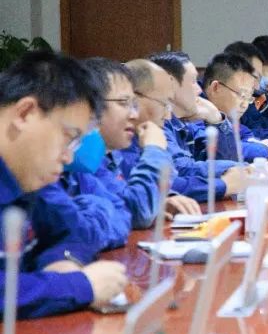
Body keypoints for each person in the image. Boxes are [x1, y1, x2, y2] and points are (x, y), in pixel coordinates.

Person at [0, 51, 128, 319]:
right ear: (25, 113)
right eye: (69, 137)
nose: (69, 157)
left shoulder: (30, 178)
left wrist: (63, 261)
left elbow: (74, 234)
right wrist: (78, 286)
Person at [50, 59, 175, 254]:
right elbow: (137, 211)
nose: (134, 115)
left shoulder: (88, 162)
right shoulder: (77, 160)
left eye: (134, 104)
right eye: (123, 103)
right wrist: (155, 151)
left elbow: (123, 213)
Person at [149, 52, 249, 202]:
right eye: (193, 81)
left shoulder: (187, 122)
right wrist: (239, 170)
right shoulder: (157, 125)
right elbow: (181, 170)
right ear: (170, 84)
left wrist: (216, 119)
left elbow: (222, 158)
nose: (199, 90)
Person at [114, 60, 202, 220]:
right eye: (164, 104)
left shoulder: (139, 138)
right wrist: (154, 150)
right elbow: (137, 208)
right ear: (135, 97)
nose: (168, 116)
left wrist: (164, 200)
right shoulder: (111, 146)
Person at [191, 53, 268, 163]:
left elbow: (247, 135)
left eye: (249, 97)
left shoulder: (227, 115)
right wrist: (262, 149)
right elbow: (213, 151)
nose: (245, 104)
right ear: (216, 88)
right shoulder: (193, 110)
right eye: (242, 95)